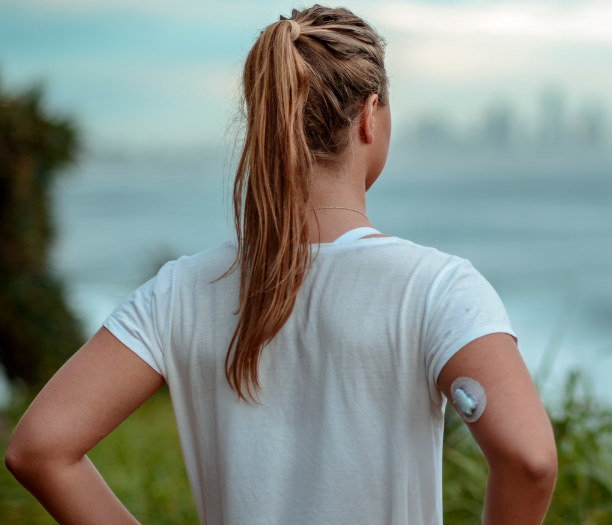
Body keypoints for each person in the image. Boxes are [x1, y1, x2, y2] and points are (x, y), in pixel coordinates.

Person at [4, 5, 557, 524]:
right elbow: (530, 460)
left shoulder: (180, 292)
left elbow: (40, 450)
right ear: (369, 117)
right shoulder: (436, 288)